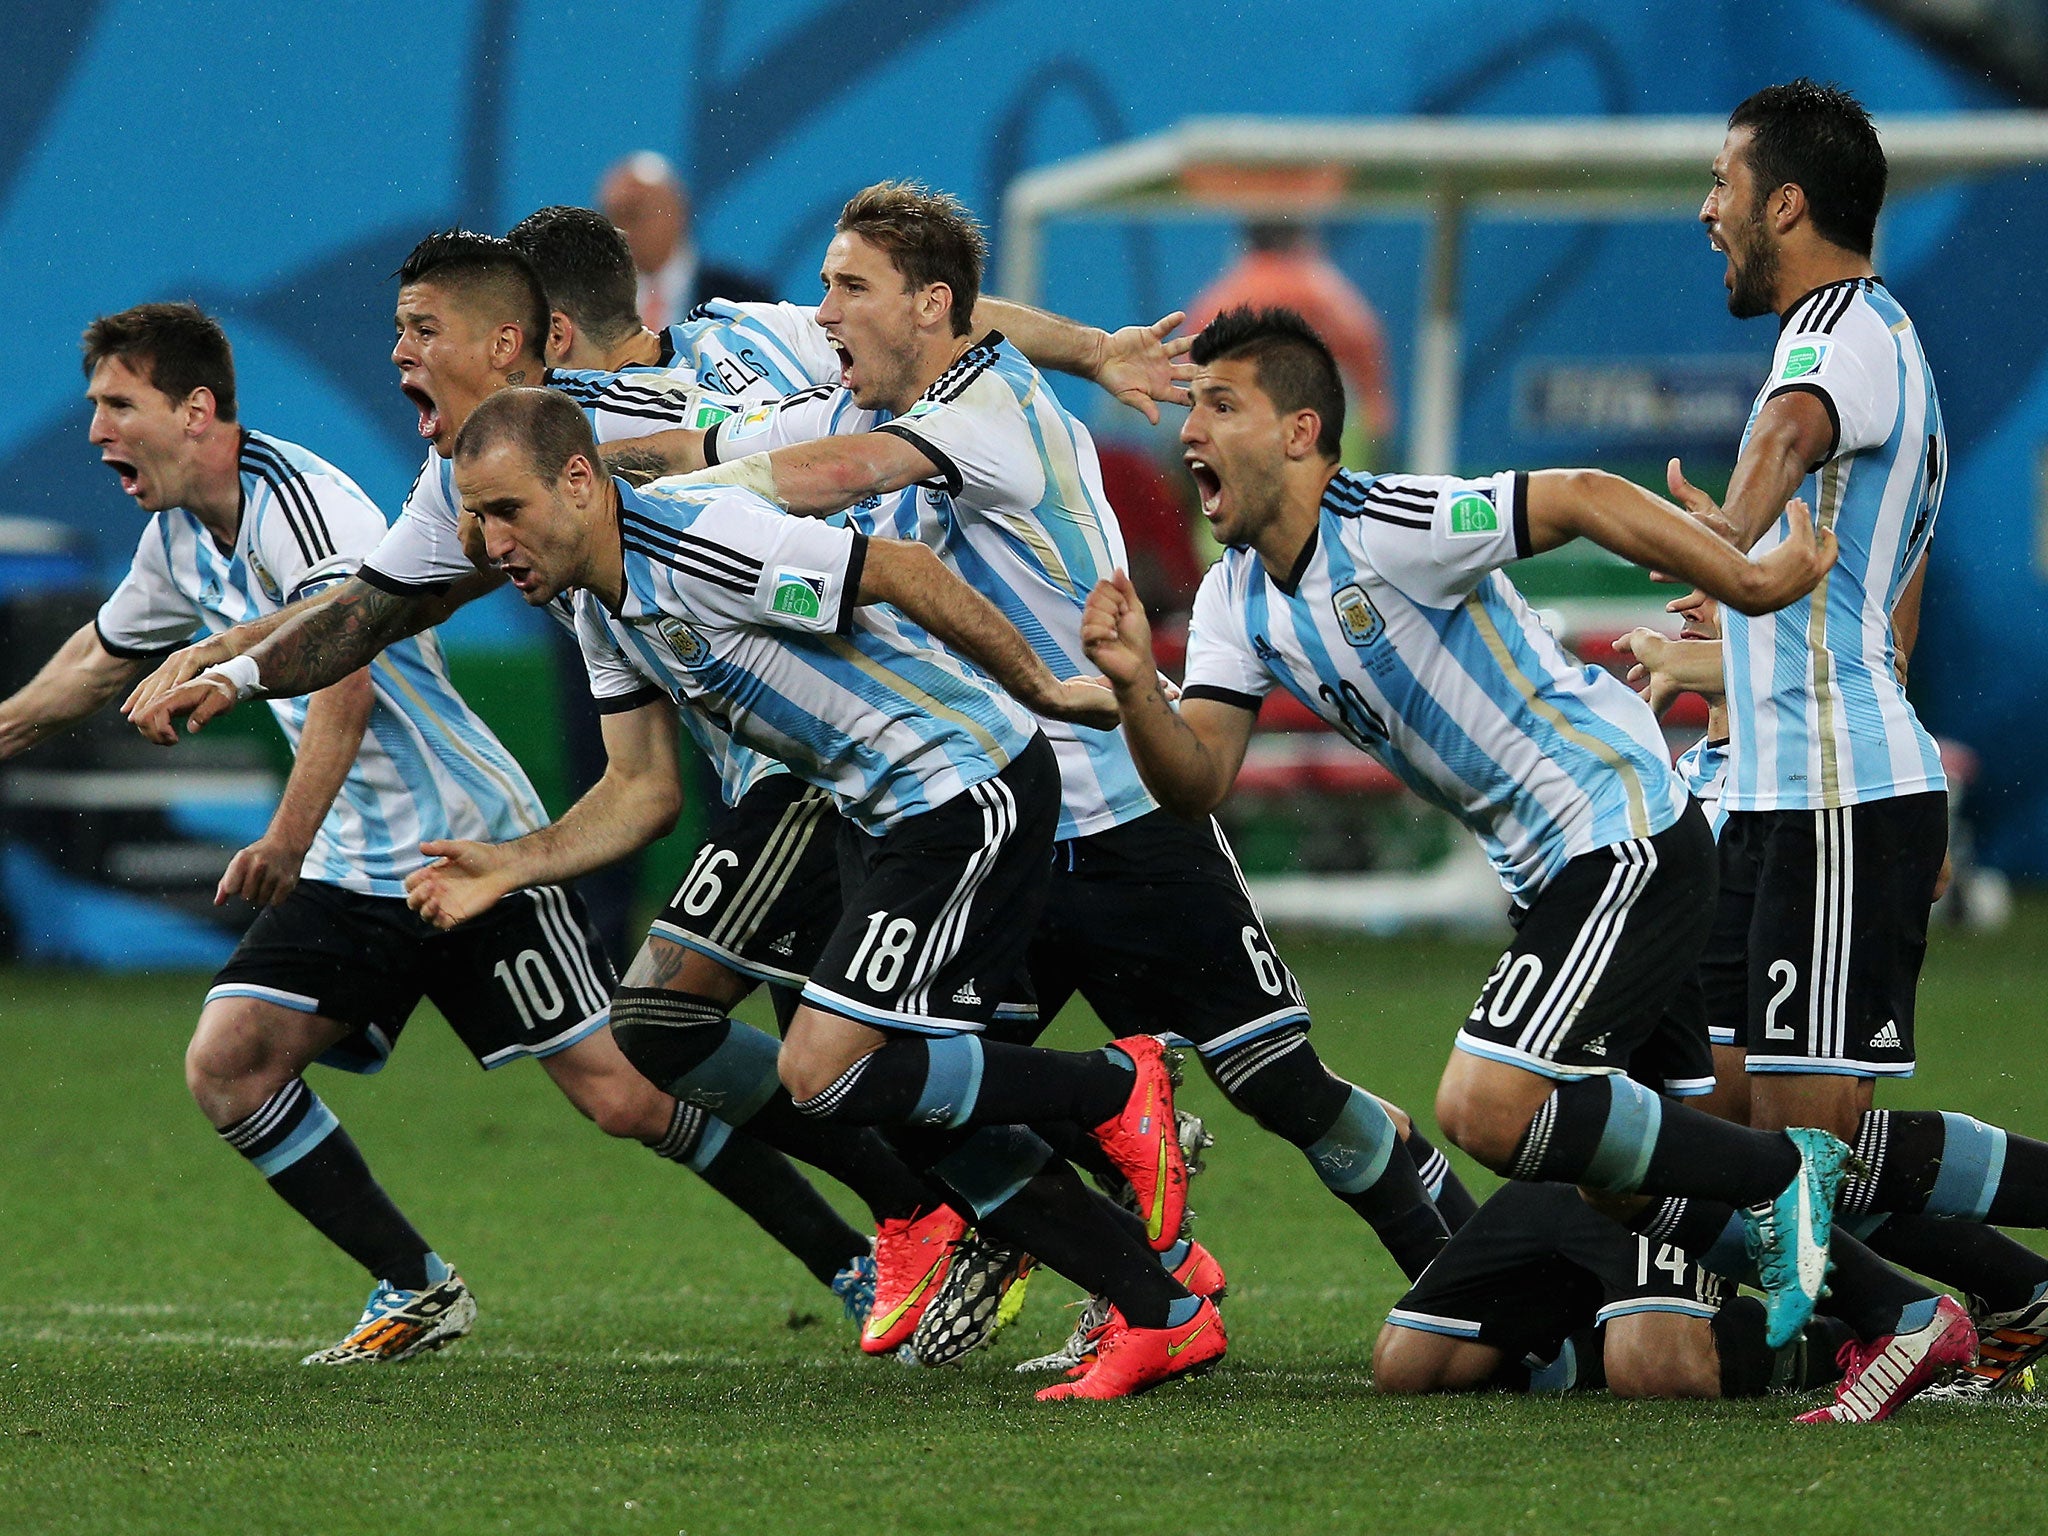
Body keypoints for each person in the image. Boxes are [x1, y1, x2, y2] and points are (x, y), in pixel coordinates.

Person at [1077, 304, 1974, 1390]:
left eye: (1222, 405)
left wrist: (1740, 581)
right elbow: (1199, 780)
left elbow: (1585, 496)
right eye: (1191, 408)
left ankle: (1782, 1176)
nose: (1189, 432)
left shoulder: (1389, 524)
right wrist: (1134, 687)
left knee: (1483, 1107)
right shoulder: (1232, 600)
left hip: (1619, 833)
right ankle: (1898, 1312)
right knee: (1614, 1197)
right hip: (1557, 875)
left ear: (1303, 431)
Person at [665, 182, 1470, 1348]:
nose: (824, 311)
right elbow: (734, 440)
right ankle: (1148, 1284)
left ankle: (1469, 1277)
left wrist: (648, 508)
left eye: (850, 288)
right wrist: (577, 459)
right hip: (1004, 826)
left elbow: (818, 475)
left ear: (930, 305)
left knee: (1282, 1090)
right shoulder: (891, 387)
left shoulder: (980, 413)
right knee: (922, 1081)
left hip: (1120, 814)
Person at [0, 301, 879, 1363]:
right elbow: (98, 661)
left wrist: (282, 840)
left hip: (464, 851)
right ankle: (414, 1287)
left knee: (627, 1095)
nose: (96, 429)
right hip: (351, 867)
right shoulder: (177, 543)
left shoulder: (301, 501)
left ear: (195, 411)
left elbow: (347, 679)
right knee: (229, 1065)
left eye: (116, 404)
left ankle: (857, 1255)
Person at [404, 386, 1226, 1401]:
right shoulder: (592, 600)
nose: (489, 543)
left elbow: (904, 568)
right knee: (926, 1118)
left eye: (505, 511)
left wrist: (1045, 692)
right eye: (474, 519)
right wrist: (512, 860)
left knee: (825, 1073)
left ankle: (1111, 1088)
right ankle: (1162, 1311)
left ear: (580, 481)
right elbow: (641, 789)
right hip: (879, 819)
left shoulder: (701, 545)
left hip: (964, 787)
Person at [1623, 596, 2048, 1401]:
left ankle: (1907, 1316)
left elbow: (1931, 869)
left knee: (1764, 1138)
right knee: (1655, 1347)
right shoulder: (1685, 773)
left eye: (1716, 581)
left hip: (1793, 907)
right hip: (1690, 1069)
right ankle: (1999, 1291)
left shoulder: (1820, 750)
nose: (1683, 599)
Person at [1186, 220, 1394, 463]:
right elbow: (1365, 363)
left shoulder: (1221, 296)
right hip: (1319, 442)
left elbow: (1194, 376)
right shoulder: (1321, 291)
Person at [597, 151, 775, 329]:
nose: (623, 228)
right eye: (614, 216)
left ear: (677, 212)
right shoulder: (590, 303)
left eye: (636, 213)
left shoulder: (741, 300)